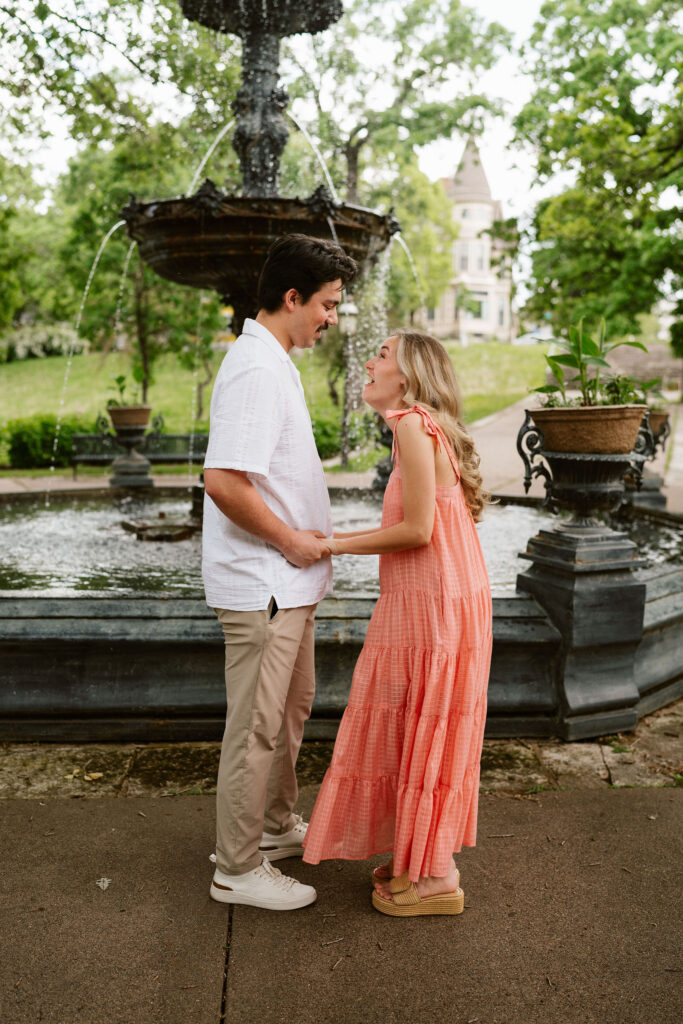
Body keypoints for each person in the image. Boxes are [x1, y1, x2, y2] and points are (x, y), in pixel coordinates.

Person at [302, 328, 492, 917]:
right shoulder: (421, 425)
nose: (369, 361)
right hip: (443, 597)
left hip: (433, 603)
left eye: (381, 355)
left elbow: (417, 531)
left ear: (407, 376)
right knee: (423, 724)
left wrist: (330, 545)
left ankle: (437, 878)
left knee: (424, 721)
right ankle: (423, 856)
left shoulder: (412, 423)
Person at [202, 233, 358, 911]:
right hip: (266, 581)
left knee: (287, 713)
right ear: (291, 297)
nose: (332, 318)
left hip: (287, 583)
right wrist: (293, 541)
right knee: (258, 726)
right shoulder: (258, 369)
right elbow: (223, 482)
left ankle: (269, 829)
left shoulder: (274, 360)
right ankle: (235, 869)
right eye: (326, 304)